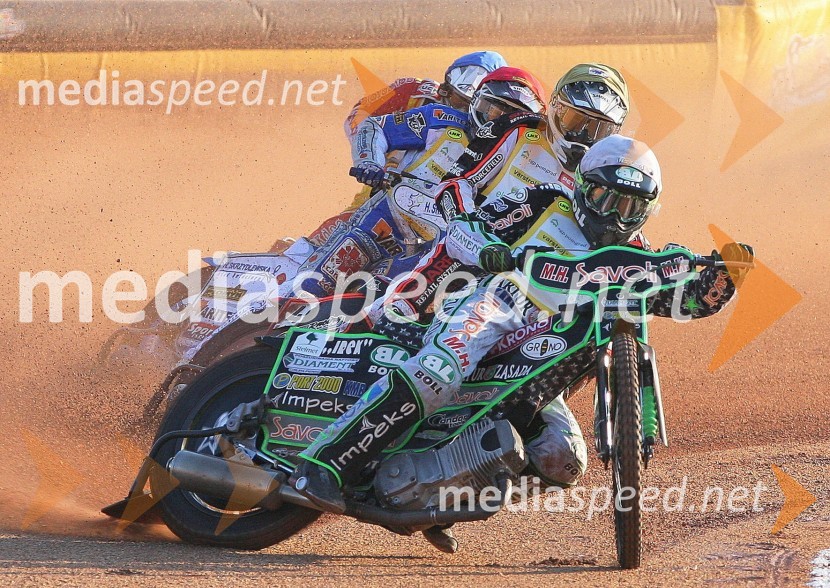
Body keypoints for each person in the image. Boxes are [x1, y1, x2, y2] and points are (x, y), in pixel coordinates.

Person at [290, 135, 754, 537]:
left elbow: (680, 300)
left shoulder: (636, 255)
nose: (615, 214)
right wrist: (490, 250)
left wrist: (725, 280)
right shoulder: (542, 201)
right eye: (605, 197)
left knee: (563, 457)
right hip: (497, 303)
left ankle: (431, 503)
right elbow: (465, 229)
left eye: (629, 205)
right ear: (582, 187)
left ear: (647, 210)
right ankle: (323, 463)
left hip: (541, 359)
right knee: (438, 373)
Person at [365, 62, 630, 330]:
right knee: (403, 302)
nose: (583, 135)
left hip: (543, 278)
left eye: (599, 129)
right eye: (577, 120)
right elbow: (456, 183)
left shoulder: (604, 171)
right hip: (478, 249)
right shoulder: (519, 130)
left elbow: (618, 225)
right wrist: (468, 227)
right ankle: (384, 317)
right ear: (557, 107)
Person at [279, 53, 509, 302]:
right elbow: (358, 120)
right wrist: (377, 159)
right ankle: (287, 268)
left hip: (432, 223)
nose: (467, 109)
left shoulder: (497, 142)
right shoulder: (412, 90)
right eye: (462, 98)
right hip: (381, 191)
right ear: (447, 85)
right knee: (333, 237)